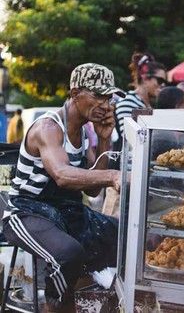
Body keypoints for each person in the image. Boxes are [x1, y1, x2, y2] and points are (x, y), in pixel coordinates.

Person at [2, 63, 125, 311]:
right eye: (98, 95)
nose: (105, 104)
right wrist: (114, 174)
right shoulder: (47, 128)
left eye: (108, 97)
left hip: (65, 211)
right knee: (68, 253)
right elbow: (62, 176)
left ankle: (78, 293)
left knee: (123, 237)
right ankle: (56, 305)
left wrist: (103, 139)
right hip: (26, 211)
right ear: (75, 93)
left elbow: (91, 190)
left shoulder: (84, 132)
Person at [111, 52, 166, 169]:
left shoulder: (148, 105)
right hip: (129, 168)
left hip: (144, 165)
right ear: (145, 78)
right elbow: (129, 138)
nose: (163, 86)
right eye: (160, 81)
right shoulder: (128, 101)